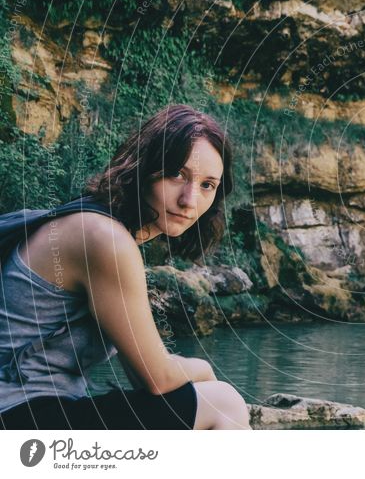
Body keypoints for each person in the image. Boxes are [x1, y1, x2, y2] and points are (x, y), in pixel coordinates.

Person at [0, 104, 251, 430]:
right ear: (143, 167)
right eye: (177, 174)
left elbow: (144, 373)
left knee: (208, 397)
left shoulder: (100, 227)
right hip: (17, 417)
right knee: (224, 403)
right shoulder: (105, 240)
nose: (190, 200)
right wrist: (202, 367)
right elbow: (158, 378)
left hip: (36, 413)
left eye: (207, 185)